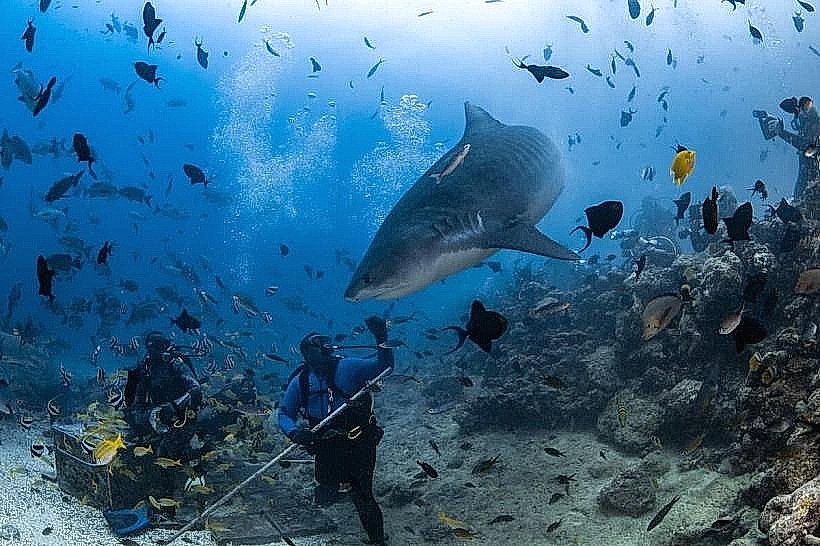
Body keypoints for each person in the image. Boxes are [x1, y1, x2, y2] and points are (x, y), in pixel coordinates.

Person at [278, 316, 393, 546]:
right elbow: (284, 414)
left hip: (358, 439)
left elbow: (384, 368)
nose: (325, 347)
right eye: (318, 344)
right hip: (325, 443)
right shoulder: (300, 381)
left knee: (362, 494)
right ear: (307, 354)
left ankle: (378, 540)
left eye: (325, 343)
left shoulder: (347, 367)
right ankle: (339, 488)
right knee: (326, 484)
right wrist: (294, 433)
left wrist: (381, 338)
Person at [123, 331, 202, 458]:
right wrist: (149, 417)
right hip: (160, 412)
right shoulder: (145, 369)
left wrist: (174, 407)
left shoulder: (175, 363)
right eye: (155, 347)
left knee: (172, 452)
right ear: (148, 349)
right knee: (129, 418)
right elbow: (139, 404)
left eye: (162, 346)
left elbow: (196, 388)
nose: (159, 351)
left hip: (184, 412)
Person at [757, 96, 820, 199]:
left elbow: (807, 145)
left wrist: (781, 133)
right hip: (809, 181)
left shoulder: (816, 125)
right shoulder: (808, 129)